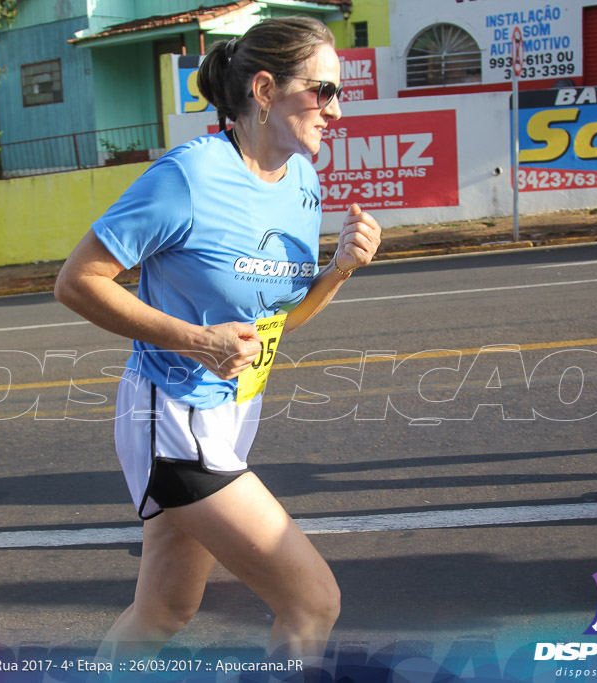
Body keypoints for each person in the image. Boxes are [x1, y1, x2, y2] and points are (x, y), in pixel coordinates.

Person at [54, 16, 381, 668]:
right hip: (173, 417)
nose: (336, 110)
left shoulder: (302, 185)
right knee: (312, 600)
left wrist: (339, 268)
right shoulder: (188, 178)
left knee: (165, 608)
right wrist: (196, 340)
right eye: (322, 91)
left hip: (232, 415)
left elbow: (280, 320)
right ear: (264, 90)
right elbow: (76, 282)